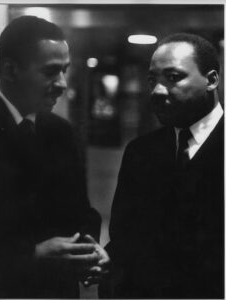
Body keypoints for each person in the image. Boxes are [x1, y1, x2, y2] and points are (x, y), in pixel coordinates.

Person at [0, 15, 109, 298]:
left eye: (65, 71)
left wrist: (92, 249)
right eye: (51, 72)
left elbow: (82, 212)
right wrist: (33, 254)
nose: (63, 84)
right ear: (9, 70)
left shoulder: (61, 131)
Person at [99, 33, 224, 298]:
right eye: (152, 80)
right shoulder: (140, 152)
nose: (157, 90)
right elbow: (123, 241)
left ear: (212, 80)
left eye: (173, 77)